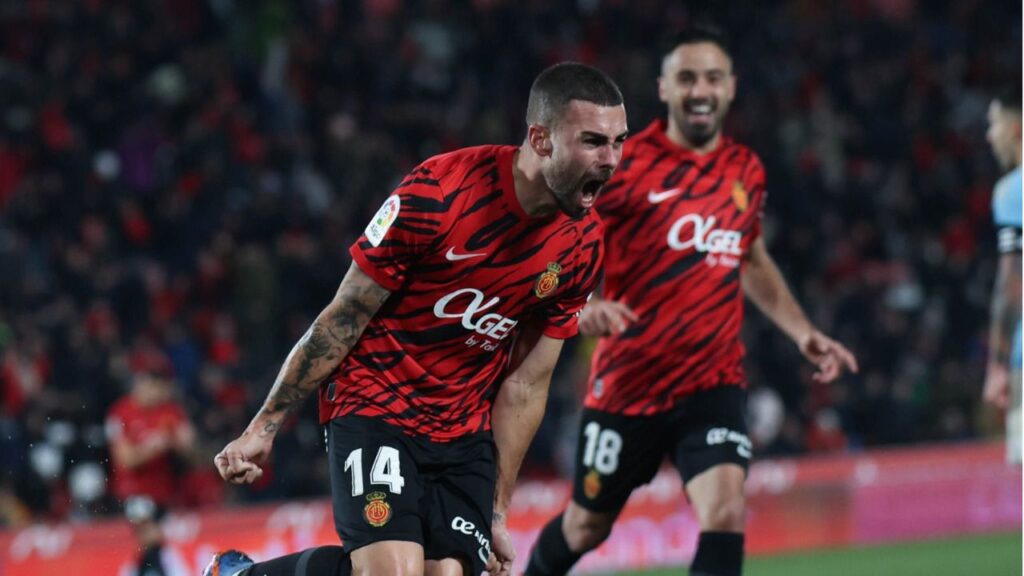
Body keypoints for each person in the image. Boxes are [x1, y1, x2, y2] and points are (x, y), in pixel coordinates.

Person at [203, 62, 628, 576]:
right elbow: (345, 315)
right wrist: (264, 426)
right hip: (376, 401)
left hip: (464, 431)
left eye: (618, 142)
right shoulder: (440, 193)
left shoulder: (583, 246)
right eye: (592, 142)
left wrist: (497, 511)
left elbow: (527, 384)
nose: (610, 160)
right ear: (540, 138)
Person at [525, 26, 858, 576]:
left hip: (713, 382)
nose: (700, 90)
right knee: (585, 526)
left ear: (730, 86)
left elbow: (752, 257)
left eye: (711, 78)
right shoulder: (624, 163)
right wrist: (580, 306)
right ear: (664, 87)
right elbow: (556, 236)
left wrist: (803, 332)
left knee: (725, 510)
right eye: (686, 78)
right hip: (629, 384)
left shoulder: (745, 170)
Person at [106, 367, 196, 576]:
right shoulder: (120, 412)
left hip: (166, 493)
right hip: (133, 493)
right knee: (152, 537)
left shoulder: (170, 411)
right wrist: (152, 447)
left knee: (156, 546)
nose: (156, 394)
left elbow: (192, 452)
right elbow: (125, 460)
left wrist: (180, 442)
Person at [982, 86, 1022, 465]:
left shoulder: (1013, 191)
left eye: (993, 124)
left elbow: (1011, 285)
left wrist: (997, 364)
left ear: (1016, 128)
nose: (988, 136)